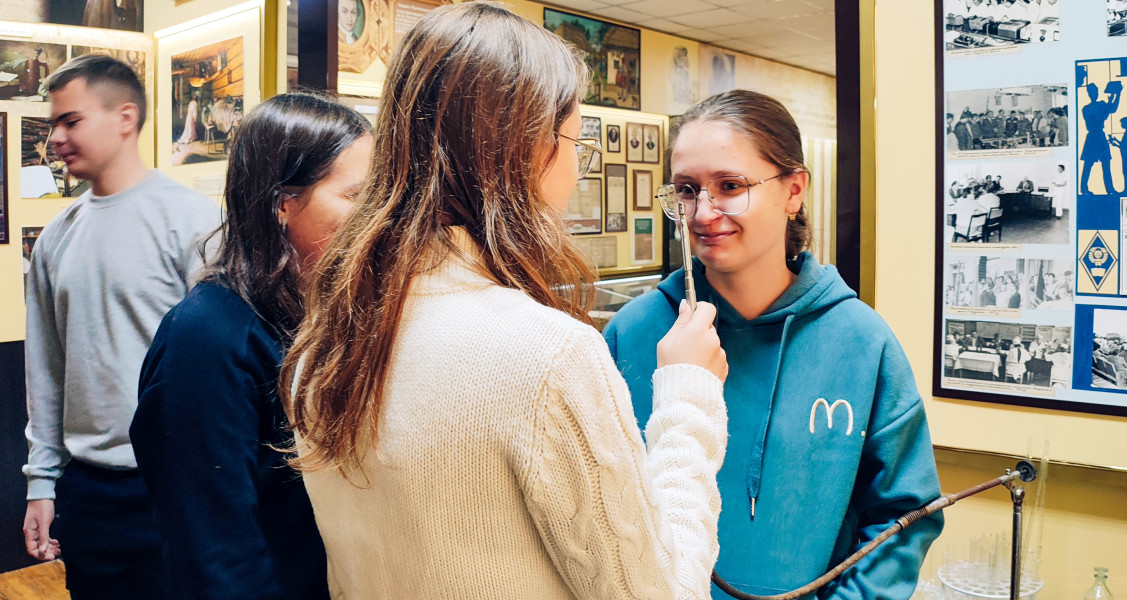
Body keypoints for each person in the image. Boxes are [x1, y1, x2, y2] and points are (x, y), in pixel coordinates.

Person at [283, 3, 730, 598]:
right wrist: (688, 400)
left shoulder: (330, 336)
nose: (574, 170)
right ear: (529, 150)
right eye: (574, 140)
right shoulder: (548, 356)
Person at [603, 90, 943, 600]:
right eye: (687, 190)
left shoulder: (861, 341)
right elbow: (598, 506)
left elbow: (905, 515)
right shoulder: (634, 333)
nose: (703, 212)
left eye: (730, 186)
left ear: (794, 191)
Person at [129, 93, 370, 600]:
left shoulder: (313, 315)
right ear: (283, 203)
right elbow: (215, 552)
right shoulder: (207, 338)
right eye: (356, 196)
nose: (378, 217)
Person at [21, 55, 219, 598]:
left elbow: (225, 370)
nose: (57, 136)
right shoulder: (57, 237)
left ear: (125, 118)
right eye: (54, 122)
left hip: (179, 485)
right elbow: (46, 371)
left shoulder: (195, 223)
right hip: (89, 492)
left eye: (72, 120)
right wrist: (43, 483)